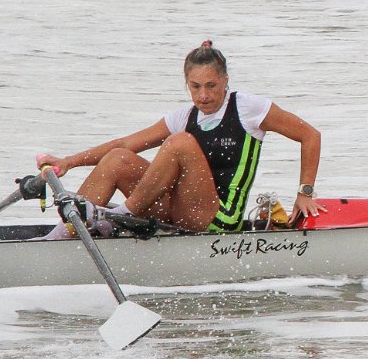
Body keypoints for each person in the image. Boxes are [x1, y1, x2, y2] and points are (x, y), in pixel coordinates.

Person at [35, 41, 322, 234]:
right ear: (186, 83)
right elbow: (125, 143)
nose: (204, 96)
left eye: (211, 85)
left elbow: (309, 135)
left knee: (180, 142)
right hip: (179, 212)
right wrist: (68, 162)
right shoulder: (184, 116)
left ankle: (114, 215)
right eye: (195, 87)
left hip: (220, 218)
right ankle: (66, 234)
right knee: (118, 159)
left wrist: (304, 192)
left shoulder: (249, 107)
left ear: (225, 80)